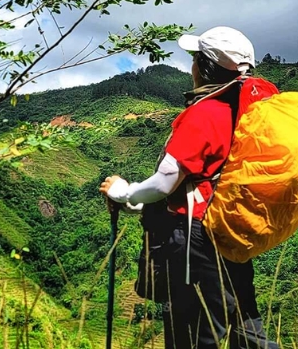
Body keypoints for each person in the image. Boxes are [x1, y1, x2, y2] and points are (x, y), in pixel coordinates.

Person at [99, 26, 279, 349]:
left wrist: (125, 192)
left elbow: (167, 181)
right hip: (230, 231)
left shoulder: (204, 114)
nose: (191, 66)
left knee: (193, 335)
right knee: (247, 329)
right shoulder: (243, 115)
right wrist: (139, 204)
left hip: (193, 241)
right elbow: (200, 183)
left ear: (205, 67)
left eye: (196, 59)